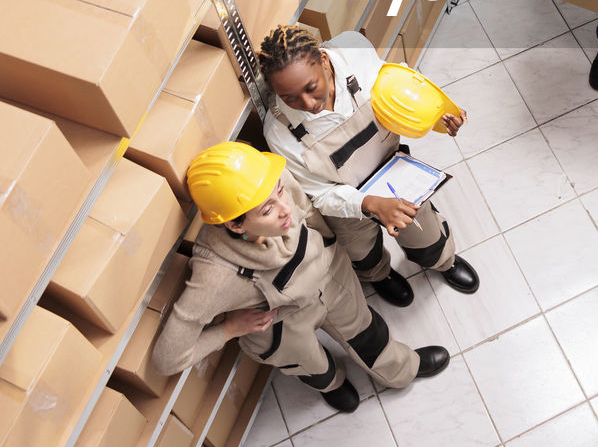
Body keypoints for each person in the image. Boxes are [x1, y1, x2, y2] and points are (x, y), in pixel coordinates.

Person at [151, 141, 450, 414]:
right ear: (234, 226)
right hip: (283, 326)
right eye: (267, 210)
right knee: (312, 364)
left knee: (366, 331)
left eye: (279, 192)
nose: (285, 210)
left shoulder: (275, 184)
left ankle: (402, 370)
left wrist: (330, 252)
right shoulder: (214, 277)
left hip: (330, 278)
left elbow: (309, 216)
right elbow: (167, 358)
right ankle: (331, 385)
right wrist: (229, 329)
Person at [258, 24, 479, 308]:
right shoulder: (278, 132)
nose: (308, 104)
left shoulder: (353, 50)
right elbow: (321, 194)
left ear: (324, 60)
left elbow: (399, 88)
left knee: (425, 232)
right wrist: (371, 204)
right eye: (290, 98)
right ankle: (380, 276)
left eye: (312, 88)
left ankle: (443, 262)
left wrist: (440, 115)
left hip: (395, 174)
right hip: (347, 203)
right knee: (362, 253)